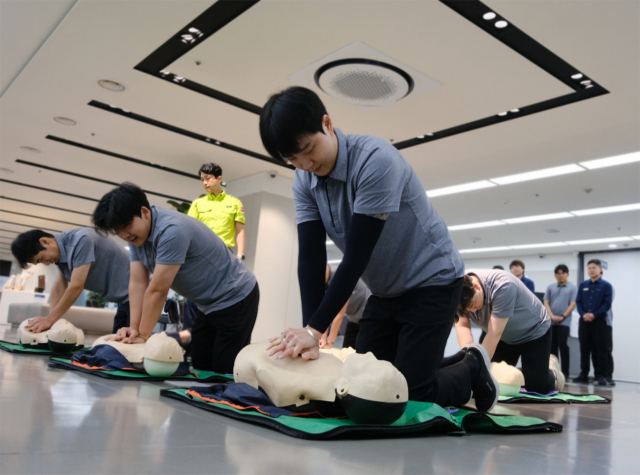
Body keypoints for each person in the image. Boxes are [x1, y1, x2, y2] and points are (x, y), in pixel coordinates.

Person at [258, 86, 498, 411]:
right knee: (363, 387)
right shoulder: (304, 180)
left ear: (327, 124)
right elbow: (312, 258)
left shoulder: (375, 160)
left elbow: (357, 256)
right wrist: (308, 333)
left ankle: (472, 367)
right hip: (385, 291)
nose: (305, 164)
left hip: (433, 280)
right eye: (293, 160)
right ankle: (447, 364)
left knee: (409, 396)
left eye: (308, 149)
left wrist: (315, 332)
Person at [92, 183, 259, 374]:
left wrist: (144, 336)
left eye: (126, 226)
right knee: (200, 364)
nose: (124, 235)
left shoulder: (172, 230)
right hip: (207, 304)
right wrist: (133, 329)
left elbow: (158, 290)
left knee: (225, 369)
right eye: (117, 231)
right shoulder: (138, 238)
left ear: (144, 212)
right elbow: (138, 283)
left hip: (236, 296)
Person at [455, 268, 564, 394]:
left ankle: (552, 370)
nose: (473, 311)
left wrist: (478, 366)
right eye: (468, 309)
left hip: (533, 332)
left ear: (476, 286)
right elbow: (463, 326)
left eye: (473, 304)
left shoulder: (503, 285)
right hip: (505, 337)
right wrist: (469, 359)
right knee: (492, 381)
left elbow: (494, 333)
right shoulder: (457, 290)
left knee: (537, 386)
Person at [11, 228, 131, 334]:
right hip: (123, 300)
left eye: (41, 258)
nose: (46, 263)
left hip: (137, 295)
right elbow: (59, 286)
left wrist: (49, 320)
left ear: (45, 241)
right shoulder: (60, 256)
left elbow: (76, 286)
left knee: (131, 347)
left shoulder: (82, 240)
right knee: (116, 347)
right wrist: (51, 322)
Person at [188, 162, 246, 261]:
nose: (205, 183)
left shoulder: (235, 202)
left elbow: (240, 231)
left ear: (219, 179)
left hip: (225, 253)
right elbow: (189, 230)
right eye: (202, 180)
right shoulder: (197, 203)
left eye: (208, 178)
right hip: (201, 253)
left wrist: (240, 255)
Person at [572, 259, 613, 386]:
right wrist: (584, 314)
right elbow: (578, 302)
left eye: (594, 268)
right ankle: (584, 374)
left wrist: (594, 315)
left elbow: (606, 304)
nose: (591, 270)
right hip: (584, 321)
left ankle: (600, 375)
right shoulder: (583, 285)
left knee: (599, 349)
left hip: (599, 321)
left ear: (600, 269)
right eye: (589, 268)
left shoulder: (606, 286)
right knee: (584, 348)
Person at [320, 265, 370, 349]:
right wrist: (323, 337)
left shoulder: (341, 276)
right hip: (353, 319)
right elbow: (322, 313)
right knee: (347, 349)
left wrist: (329, 343)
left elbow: (339, 315)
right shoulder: (321, 286)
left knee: (362, 350)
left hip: (366, 315)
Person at [543, 264, 577, 380]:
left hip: (564, 322)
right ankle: (553, 372)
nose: (560, 275)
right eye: (558, 273)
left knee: (562, 345)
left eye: (563, 273)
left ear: (567, 274)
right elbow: (546, 302)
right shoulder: (550, 287)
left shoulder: (572, 288)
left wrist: (563, 316)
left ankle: (565, 373)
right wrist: (552, 316)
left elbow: (573, 304)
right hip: (551, 321)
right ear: (555, 275)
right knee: (552, 347)